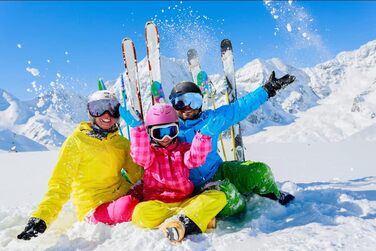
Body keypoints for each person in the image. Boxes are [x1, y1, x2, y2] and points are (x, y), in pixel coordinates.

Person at [17, 90, 143, 240]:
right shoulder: (77, 142)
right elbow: (60, 183)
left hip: (123, 194)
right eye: (98, 109)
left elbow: (138, 176)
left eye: (112, 109)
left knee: (147, 194)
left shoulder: (121, 143)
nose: (106, 115)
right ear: (90, 112)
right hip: (94, 207)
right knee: (128, 206)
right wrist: (42, 216)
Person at [168, 71, 296, 217]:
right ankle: (241, 204)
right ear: (173, 104)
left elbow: (239, 108)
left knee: (260, 171)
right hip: (194, 187)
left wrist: (268, 89)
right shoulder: (167, 129)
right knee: (227, 196)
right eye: (181, 102)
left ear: (201, 102)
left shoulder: (211, 120)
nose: (188, 107)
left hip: (219, 170)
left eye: (194, 101)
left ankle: (272, 194)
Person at [119, 103, 227, 243]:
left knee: (218, 197)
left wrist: (205, 136)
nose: (165, 137)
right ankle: (192, 219)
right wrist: (138, 130)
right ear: (150, 133)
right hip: (158, 204)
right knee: (140, 212)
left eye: (170, 131)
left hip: (185, 202)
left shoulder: (183, 149)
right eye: (159, 132)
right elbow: (140, 155)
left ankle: (179, 221)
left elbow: (195, 159)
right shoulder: (150, 153)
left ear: (177, 130)